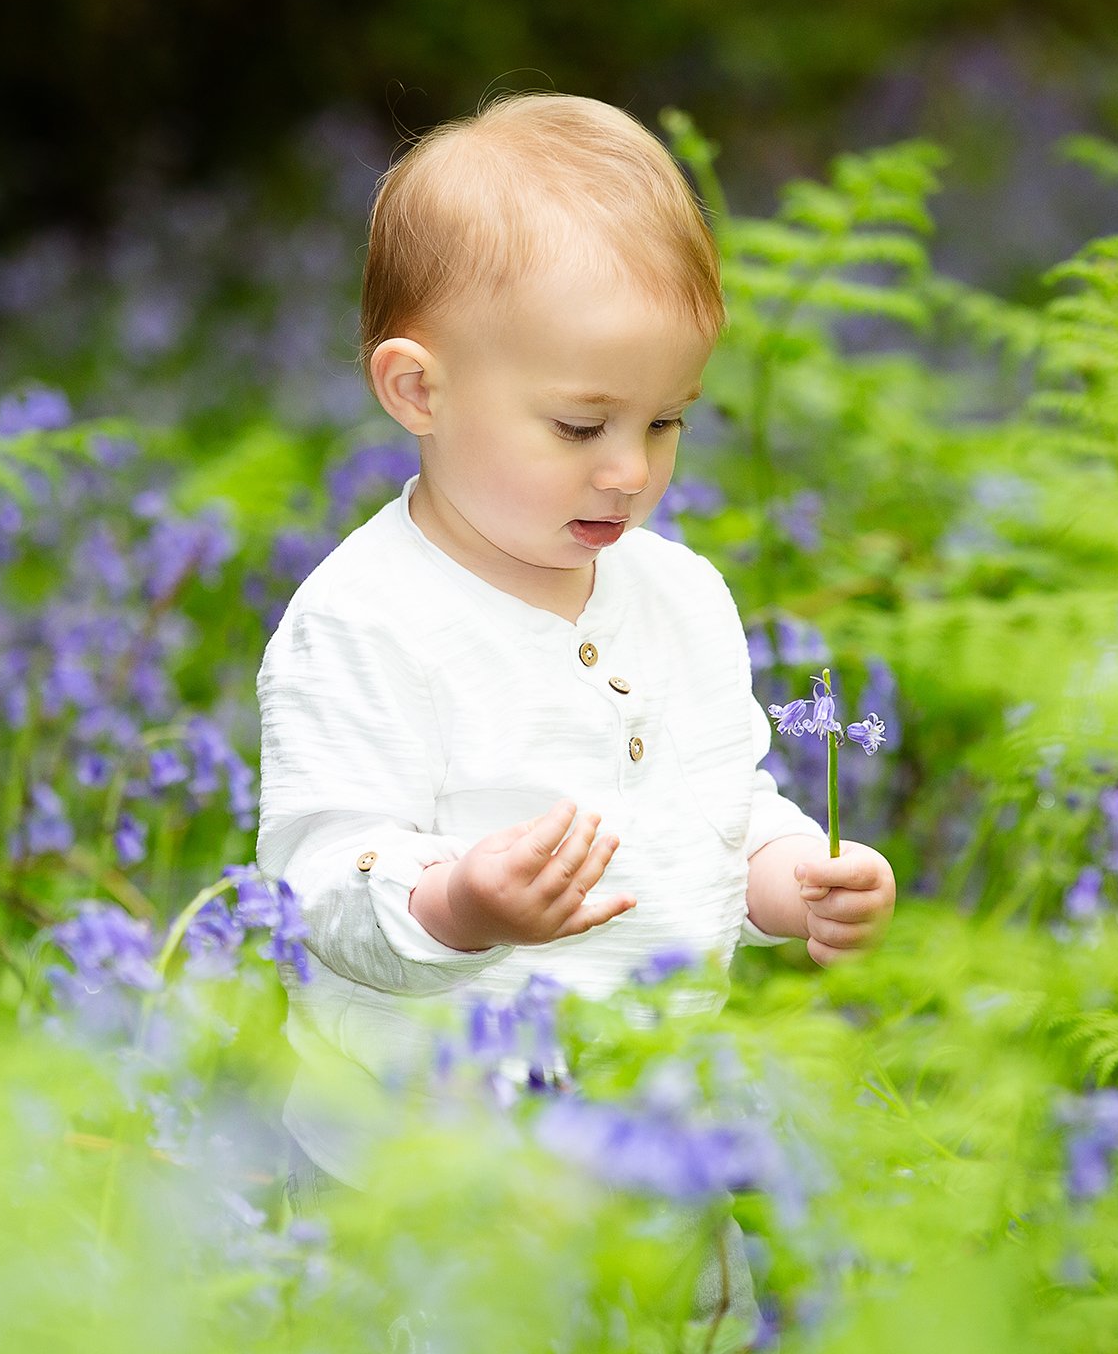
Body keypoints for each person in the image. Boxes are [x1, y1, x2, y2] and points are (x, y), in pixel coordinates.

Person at [254, 89, 897, 1339]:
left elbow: (716, 800)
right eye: (580, 423)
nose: (630, 468)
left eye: (665, 421)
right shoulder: (363, 624)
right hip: (425, 1168)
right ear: (417, 389)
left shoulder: (682, 594)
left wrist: (782, 875)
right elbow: (324, 874)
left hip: (654, 1141)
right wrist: (457, 906)